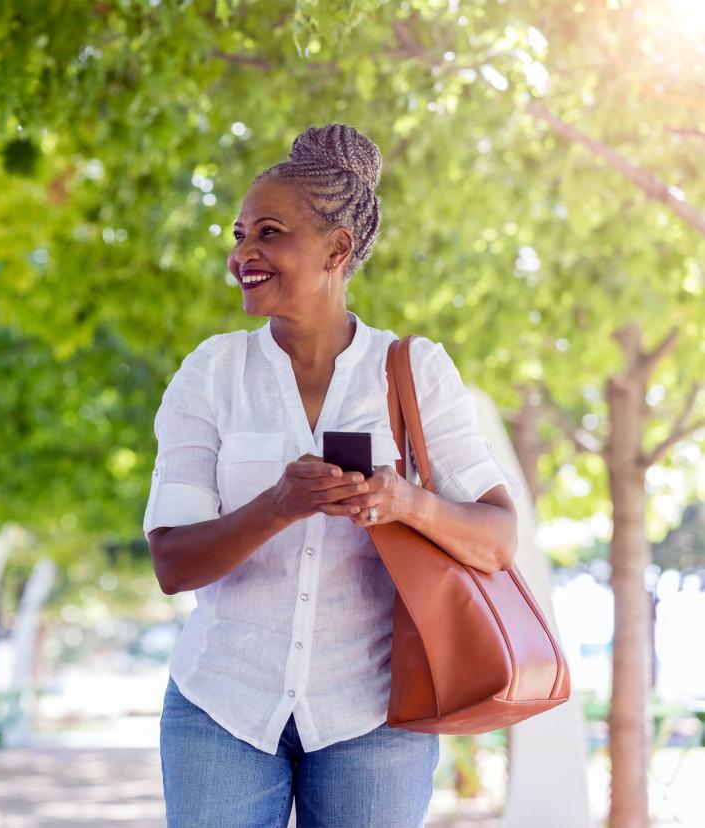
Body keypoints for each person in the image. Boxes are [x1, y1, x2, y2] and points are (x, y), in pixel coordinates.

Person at [144, 123, 524, 827]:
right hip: (221, 705)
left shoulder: (415, 370)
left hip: (374, 714)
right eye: (239, 234)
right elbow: (171, 561)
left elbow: (498, 537)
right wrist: (279, 505)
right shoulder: (212, 372)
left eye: (268, 233)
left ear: (337, 249)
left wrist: (405, 501)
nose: (242, 254)